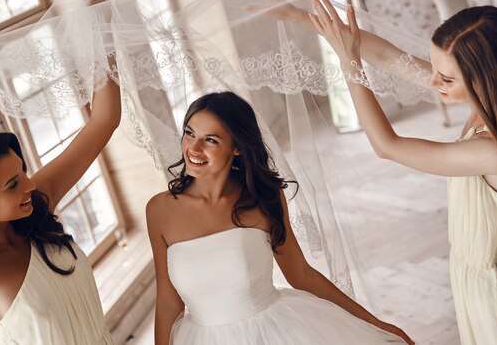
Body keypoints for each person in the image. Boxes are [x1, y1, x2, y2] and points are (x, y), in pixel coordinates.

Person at [305, 0, 497, 344]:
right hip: (473, 274)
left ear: (483, 79)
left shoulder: (496, 152)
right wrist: (300, 17)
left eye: (445, 79)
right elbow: (387, 57)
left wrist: (348, 62)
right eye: (434, 70)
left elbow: (388, 146)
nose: (433, 83)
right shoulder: (490, 100)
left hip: (495, 289)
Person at [145, 91, 413, 344]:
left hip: (272, 332)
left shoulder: (264, 198)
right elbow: (168, 301)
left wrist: (373, 323)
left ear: (237, 147)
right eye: (189, 134)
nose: (194, 147)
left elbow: (301, 274)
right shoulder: (159, 210)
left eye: (211, 140)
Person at [0, 29, 120, 343]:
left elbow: (104, 120)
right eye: (13, 184)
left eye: (23, 172)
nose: (30, 184)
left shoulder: (34, 209)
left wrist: (100, 34)